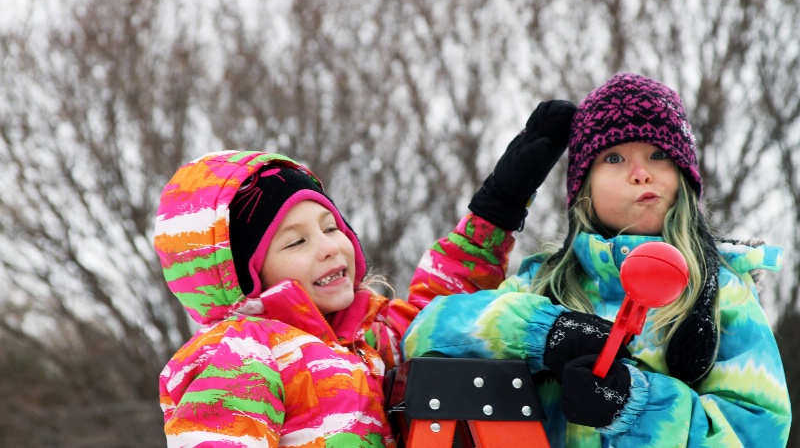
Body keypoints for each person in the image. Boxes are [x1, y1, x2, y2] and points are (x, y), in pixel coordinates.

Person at [401, 74, 791, 447]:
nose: (640, 173)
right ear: (583, 188)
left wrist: (635, 408)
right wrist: (540, 333)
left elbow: (759, 431)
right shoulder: (543, 284)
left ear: (683, 177)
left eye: (657, 154)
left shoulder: (723, 291)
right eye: (615, 158)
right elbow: (423, 335)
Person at [153, 150, 508, 447]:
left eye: (330, 227)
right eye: (296, 241)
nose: (329, 248)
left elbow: (433, 321)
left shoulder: (366, 337)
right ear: (242, 277)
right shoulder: (239, 353)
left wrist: (494, 213)